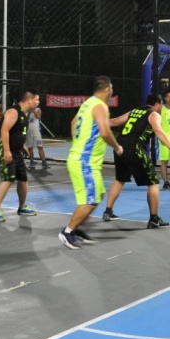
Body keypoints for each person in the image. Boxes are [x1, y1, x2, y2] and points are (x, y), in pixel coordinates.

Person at [60, 76, 123, 249]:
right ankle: (67, 232)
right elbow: (105, 132)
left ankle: (78, 228)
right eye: (112, 88)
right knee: (90, 200)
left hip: (86, 160)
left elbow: (73, 122)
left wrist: (78, 143)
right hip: (84, 161)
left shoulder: (87, 104)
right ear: (107, 89)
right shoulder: (100, 106)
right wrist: (117, 147)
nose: (112, 91)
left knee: (98, 195)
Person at [102, 93, 170, 229]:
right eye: (161, 105)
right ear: (157, 104)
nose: (161, 108)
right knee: (153, 183)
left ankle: (108, 212)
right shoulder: (154, 114)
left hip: (119, 147)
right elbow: (158, 130)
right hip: (135, 149)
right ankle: (154, 219)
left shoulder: (134, 111)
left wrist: (96, 121)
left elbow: (114, 122)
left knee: (120, 179)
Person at [0, 89, 40, 222]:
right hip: (5, 149)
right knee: (9, 178)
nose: (38, 102)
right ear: (29, 100)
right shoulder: (13, 111)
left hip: (16, 150)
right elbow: (4, 130)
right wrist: (6, 151)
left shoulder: (27, 113)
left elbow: (17, 132)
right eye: (36, 99)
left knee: (23, 178)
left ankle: (22, 207)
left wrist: (22, 146)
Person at [26, 105, 49, 169]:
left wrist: (33, 111)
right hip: (29, 132)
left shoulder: (38, 109)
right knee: (30, 148)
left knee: (40, 147)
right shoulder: (26, 111)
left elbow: (38, 116)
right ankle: (32, 162)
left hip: (36, 132)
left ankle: (44, 162)